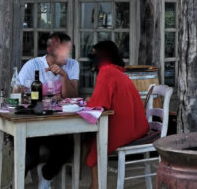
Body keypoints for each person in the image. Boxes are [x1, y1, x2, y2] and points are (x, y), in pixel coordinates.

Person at [16, 32, 79, 189]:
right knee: (29, 157)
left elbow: (72, 95)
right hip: (32, 122)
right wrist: (26, 93)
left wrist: (64, 76)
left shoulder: (72, 65)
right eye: (65, 51)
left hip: (57, 123)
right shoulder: (33, 65)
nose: (68, 55)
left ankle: (46, 176)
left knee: (66, 148)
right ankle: (15, 183)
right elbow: (18, 93)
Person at [84, 41, 149, 189]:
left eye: (94, 54)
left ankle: (96, 185)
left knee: (95, 142)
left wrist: (89, 102)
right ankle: (91, 181)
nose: (91, 58)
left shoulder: (106, 71)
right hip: (136, 123)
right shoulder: (115, 71)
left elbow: (100, 104)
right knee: (88, 138)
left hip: (127, 126)